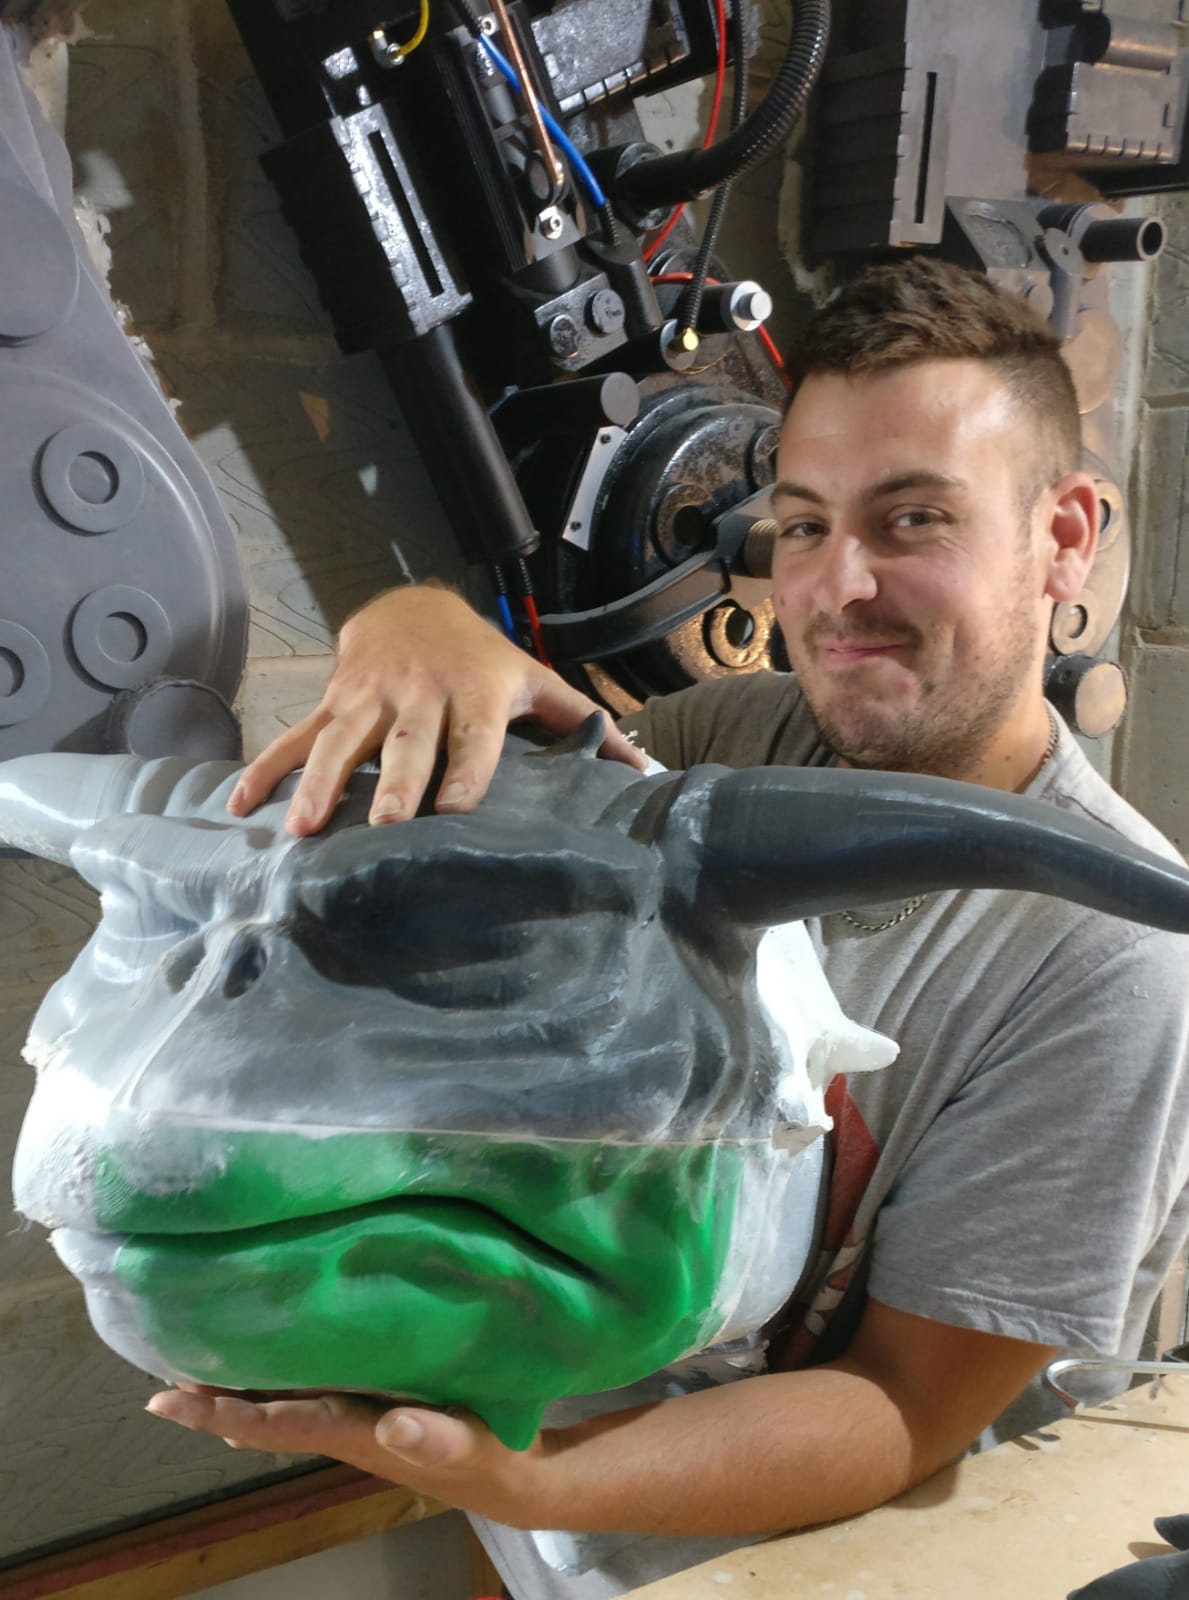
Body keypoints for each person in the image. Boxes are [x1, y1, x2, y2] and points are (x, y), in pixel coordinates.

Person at [148, 259, 1189, 1592]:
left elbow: (896, 1407)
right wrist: (411, 623)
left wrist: (518, 1474)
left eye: (913, 518)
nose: (836, 588)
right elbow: (535, 736)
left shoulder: (1112, 960)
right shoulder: (732, 738)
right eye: (803, 525)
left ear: (1062, 537)